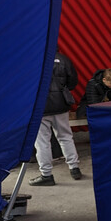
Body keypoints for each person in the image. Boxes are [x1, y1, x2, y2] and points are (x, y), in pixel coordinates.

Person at [29, 51, 82, 186]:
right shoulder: (63, 59)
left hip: (41, 106)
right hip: (61, 104)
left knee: (42, 142)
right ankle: (74, 168)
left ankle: (46, 175)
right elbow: (73, 82)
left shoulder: (34, 58)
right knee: (65, 136)